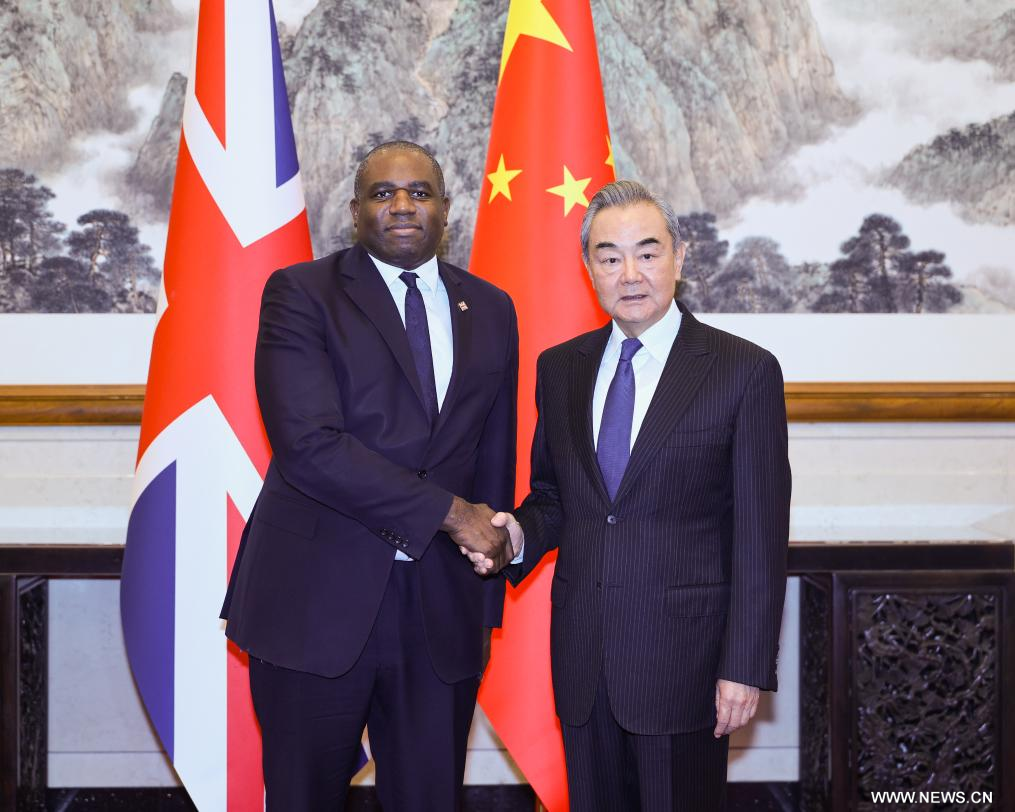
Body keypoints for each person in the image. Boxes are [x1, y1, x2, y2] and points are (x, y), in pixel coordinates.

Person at [467, 179, 791, 811]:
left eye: (647, 252)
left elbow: (759, 534)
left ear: (679, 256)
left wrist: (745, 665)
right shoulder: (561, 368)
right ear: (589, 268)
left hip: (687, 666)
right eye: (610, 257)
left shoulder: (742, 370)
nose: (631, 273)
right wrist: (515, 537)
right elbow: (557, 497)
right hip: (585, 663)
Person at [221, 140, 519, 811]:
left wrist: (485, 585)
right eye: (383, 194)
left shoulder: (492, 308)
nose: (402, 205)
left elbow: (491, 457)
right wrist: (451, 514)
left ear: (447, 210)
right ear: (355, 213)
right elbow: (310, 446)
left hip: (441, 611)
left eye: (419, 191)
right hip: (313, 605)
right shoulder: (301, 294)